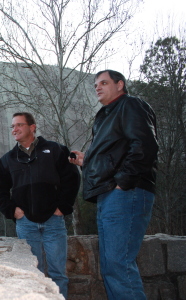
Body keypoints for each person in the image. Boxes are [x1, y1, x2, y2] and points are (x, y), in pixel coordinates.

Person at [69, 70, 158, 300]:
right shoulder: (107, 115)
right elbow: (114, 154)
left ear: (120, 85)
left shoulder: (131, 105)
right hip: (110, 194)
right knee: (111, 266)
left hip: (125, 193)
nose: (97, 87)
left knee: (119, 265)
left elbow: (145, 145)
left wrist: (123, 183)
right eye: (96, 84)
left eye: (104, 83)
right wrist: (86, 161)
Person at [0, 112, 80, 299]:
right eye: (12, 126)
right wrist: (12, 211)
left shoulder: (55, 150)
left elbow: (71, 179)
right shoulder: (8, 159)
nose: (14, 129)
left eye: (19, 125)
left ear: (32, 127)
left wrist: (63, 207)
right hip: (26, 224)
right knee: (32, 273)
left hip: (54, 222)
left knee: (58, 275)